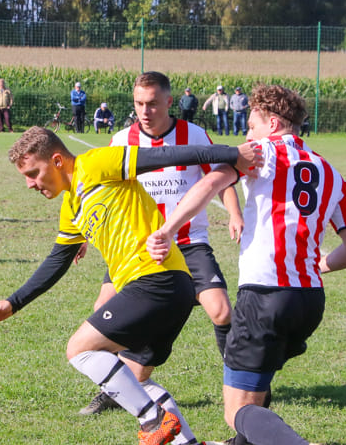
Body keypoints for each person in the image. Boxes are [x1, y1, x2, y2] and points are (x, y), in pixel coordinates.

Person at [0, 126, 259, 445]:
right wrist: (12, 302)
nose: (31, 184)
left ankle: (153, 420)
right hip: (165, 289)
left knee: (79, 349)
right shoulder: (72, 206)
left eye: (33, 173)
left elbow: (169, 156)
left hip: (156, 281)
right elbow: (57, 261)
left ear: (56, 160)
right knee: (128, 381)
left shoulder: (97, 163)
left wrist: (231, 154)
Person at [147, 84, 346, 445]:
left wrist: (169, 229)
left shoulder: (260, 155)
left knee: (235, 409)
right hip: (309, 300)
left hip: (265, 294)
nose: (246, 136)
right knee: (256, 379)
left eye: (251, 126)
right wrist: (321, 265)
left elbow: (210, 185)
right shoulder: (330, 171)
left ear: (272, 123)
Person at [79, 71, 243, 421]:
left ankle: (239, 378)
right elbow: (100, 193)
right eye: (139, 103)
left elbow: (223, 173)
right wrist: (82, 239)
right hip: (135, 248)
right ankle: (111, 390)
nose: (145, 110)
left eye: (152, 103)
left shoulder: (194, 135)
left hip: (188, 242)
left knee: (221, 311)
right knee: (103, 308)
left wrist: (234, 214)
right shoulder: (122, 139)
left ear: (169, 102)